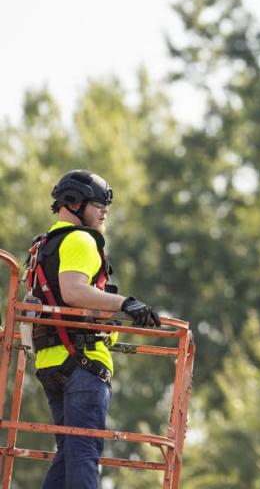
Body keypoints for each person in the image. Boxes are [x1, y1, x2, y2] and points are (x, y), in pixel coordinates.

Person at [27, 169, 159, 489]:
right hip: (84, 363)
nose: (104, 211)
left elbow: (31, 303)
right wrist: (125, 303)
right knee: (85, 450)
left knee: (69, 452)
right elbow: (73, 291)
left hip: (49, 364)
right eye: (98, 204)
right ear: (74, 202)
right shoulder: (81, 240)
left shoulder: (42, 248)